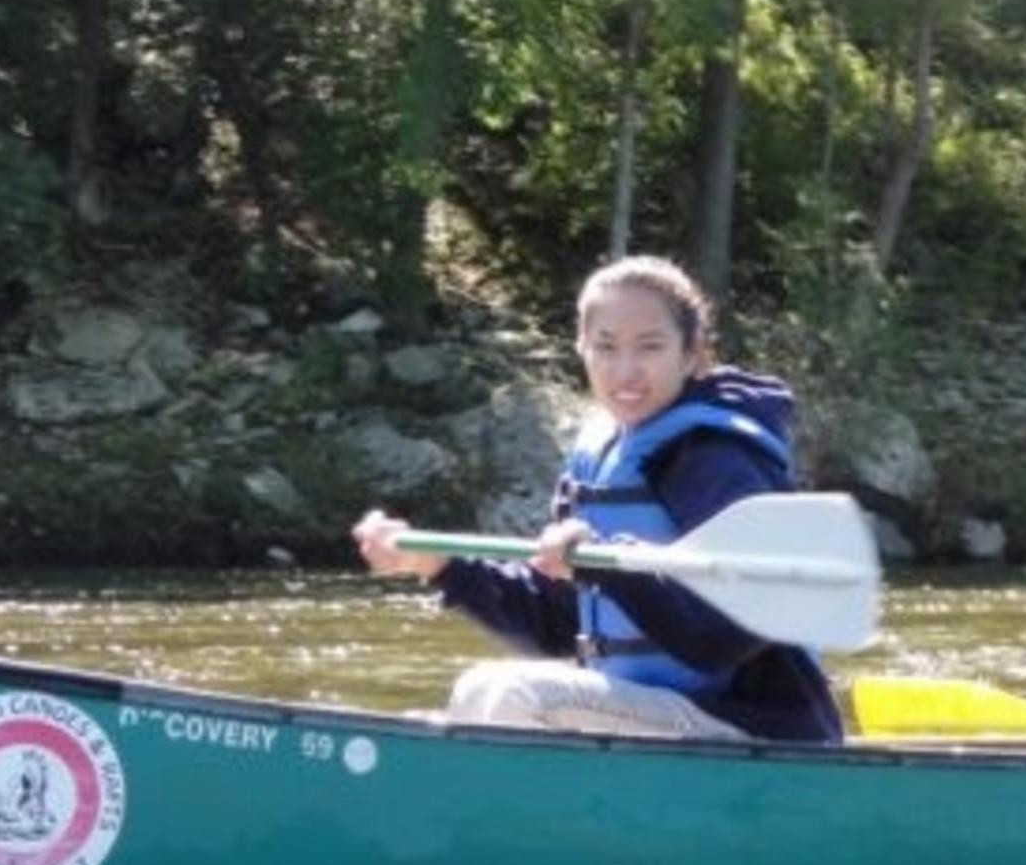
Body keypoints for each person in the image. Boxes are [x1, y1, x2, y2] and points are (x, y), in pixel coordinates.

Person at [354, 255, 844, 744]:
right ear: (582, 350)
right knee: (465, 706)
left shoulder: (713, 459)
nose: (625, 371)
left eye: (649, 347)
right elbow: (555, 624)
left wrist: (605, 566)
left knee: (505, 695)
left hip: (759, 730)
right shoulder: (601, 455)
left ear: (691, 353)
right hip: (659, 719)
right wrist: (442, 566)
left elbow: (724, 638)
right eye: (605, 348)